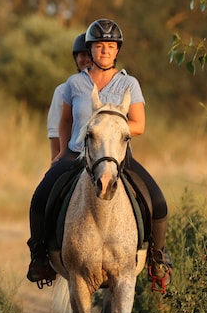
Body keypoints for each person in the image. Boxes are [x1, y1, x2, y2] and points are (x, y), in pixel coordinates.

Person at [26, 18, 172, 289]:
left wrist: (109, 127)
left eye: (110, 46)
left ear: (117, 50)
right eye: (98, 46)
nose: (104, 50)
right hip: (78, 153)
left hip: (117, 155)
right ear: (89, 49)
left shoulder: (130, 84)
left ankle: (157, 260)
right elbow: (66, 121)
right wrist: (61, 152)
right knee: (41, 196)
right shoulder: (74, 84)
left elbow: (139, 124)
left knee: (158, 201)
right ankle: (40, 258)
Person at [47, 33, 92, 162]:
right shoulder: (62, 90)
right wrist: (57, 161)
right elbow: (55, 133)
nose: (87, 59)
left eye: (90, 55)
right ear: (76, 58)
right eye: (82, 55)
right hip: (73, 157)